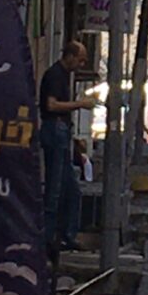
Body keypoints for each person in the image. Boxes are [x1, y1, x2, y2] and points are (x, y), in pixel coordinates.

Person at [39, 41, 95, 254]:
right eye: (80, 60)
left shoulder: (63, 76)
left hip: (61, 131)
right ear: (70, 56)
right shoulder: (54, 74)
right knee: (54, 190)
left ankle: (67, 235)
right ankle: (47, 239)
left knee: (72, 190)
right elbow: (51, 105)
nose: (81, 64)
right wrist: (79, 104)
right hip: (54, 130)